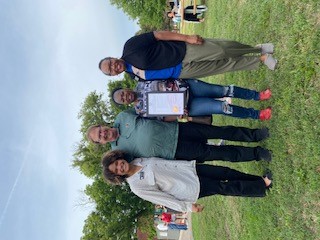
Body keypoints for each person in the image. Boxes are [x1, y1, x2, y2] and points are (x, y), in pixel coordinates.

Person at [101, 150, 273, 212]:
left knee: (226, 171)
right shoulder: (137, 187)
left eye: (116, 163)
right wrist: (187, 207)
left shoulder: (139, 160)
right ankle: (261, 187)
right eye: (116, 170)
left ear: (118, 158)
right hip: (189, 187)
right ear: (118, 176)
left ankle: (259, 180)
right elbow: (163, 199)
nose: (119, 166)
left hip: (190, 169)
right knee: (226, 187)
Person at [86, 109, 272, 163]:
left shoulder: (122, 116)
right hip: (175, 152)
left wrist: (177, 114)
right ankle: (257, 154)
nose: (103, 133)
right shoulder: (117, 153)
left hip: (179, 129)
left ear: (102, 125)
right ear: (101, 143)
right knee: (219, 153)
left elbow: (150, 112)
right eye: (100, 137)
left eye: (100, 130)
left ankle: (256, 134)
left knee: (219, 131)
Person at [99, 31, 277, 80]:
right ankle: (260, 59)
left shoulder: (130, 47)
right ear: (113, 75)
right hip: (182, 73)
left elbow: (158, 35)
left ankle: (256, 49)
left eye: (111, 63)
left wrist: (187, 38)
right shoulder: (132, 74)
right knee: (223, 65)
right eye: (111, 71)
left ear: (113, 58)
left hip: (183, 52)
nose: (114, 67)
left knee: (223, 50)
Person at [111, 79, 272, 121]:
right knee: (223, 108)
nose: (125, 97)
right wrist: (179, 115)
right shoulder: (141, 111)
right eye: (122, 100)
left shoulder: (142, 82)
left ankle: (257, 95)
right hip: (189, 106)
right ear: (124, 104)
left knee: (224, 90)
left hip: (188, 87)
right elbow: (162, 117)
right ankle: (257, 115)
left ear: (124, 89)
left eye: (122, 93)